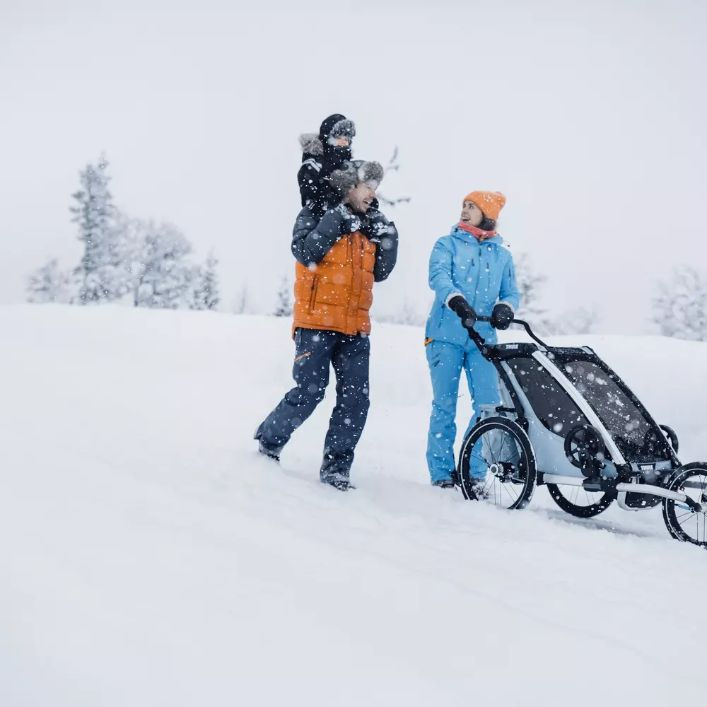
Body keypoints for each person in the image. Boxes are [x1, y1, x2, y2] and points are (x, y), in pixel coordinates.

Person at [255, 160, 399, 491]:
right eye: (367, 187)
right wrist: (337, 220)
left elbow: (380, 272)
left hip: (355, 327)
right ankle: (269, 440)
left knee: (356, 401)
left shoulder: (370, 223)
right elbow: (305, 251)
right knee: (309, 392)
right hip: (316, 323)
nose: (372, 195)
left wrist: (390, 237)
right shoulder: (317, 211)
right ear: (350, 186)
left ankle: (336, 468)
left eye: (375, 189)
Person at [424, 191, 520, 491]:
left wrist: (506, 307)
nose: (464, 210)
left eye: (472, 207)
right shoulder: (447, 244)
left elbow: (511, 292)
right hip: (445, 335)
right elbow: (438, 277)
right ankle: (441, 473)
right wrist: (456, 300)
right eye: (464, 205)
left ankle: (472, 470)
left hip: (482, 339)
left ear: (487, 215)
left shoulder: (502, 256)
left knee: (488, 405)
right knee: (445, 405)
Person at [298, 113, 356, 217]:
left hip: (348, 221)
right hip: (321, 222)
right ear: (327, 137)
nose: (344, 142)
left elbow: (357, 194)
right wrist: (329, 197)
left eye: (347, 139)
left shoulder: (349, 166)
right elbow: (309, 204)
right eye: (339, 137)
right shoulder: (313, 165)